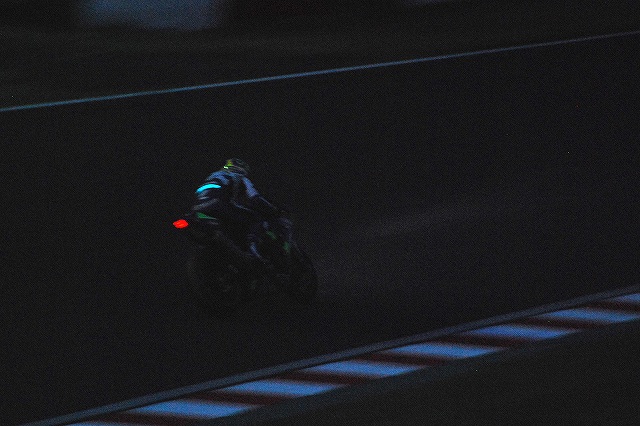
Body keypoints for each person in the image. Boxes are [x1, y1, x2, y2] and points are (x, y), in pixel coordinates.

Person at [191, 158, 289, 266]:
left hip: (198, 207)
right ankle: (254, 252)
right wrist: (274, 209)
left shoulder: (213, 175)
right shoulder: (239, 176)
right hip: (218, 204)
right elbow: (255, 197)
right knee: (256, 219)